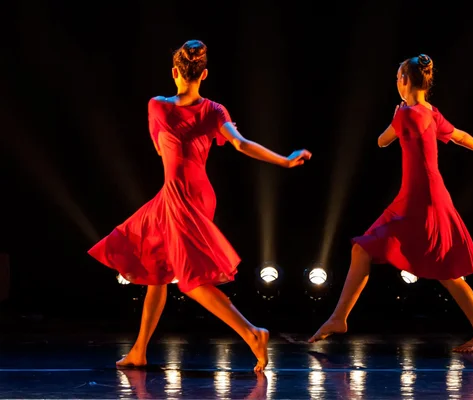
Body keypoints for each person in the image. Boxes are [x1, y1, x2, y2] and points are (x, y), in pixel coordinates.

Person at [88, 39, 311, 372]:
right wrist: (284, 161)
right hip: (189, 194)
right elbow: (240, 143)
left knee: (191, 280)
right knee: (157, 271)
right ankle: (139, 350)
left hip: (182, 196)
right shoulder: (214, 110)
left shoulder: (158, 106)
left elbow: (160, 151)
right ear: (203, 74)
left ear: (175, 72)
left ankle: (252, 333)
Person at [308, 54, 473, 352]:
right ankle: (339, 317)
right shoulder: (429, 112)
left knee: (379, 252)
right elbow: (460, 136)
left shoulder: (407, 115)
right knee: (376, 252)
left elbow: (382, 141)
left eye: (397, 77)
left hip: (424, 200)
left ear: (404, 80)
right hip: (420, 196)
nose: (396, 81)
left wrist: (396, 119)